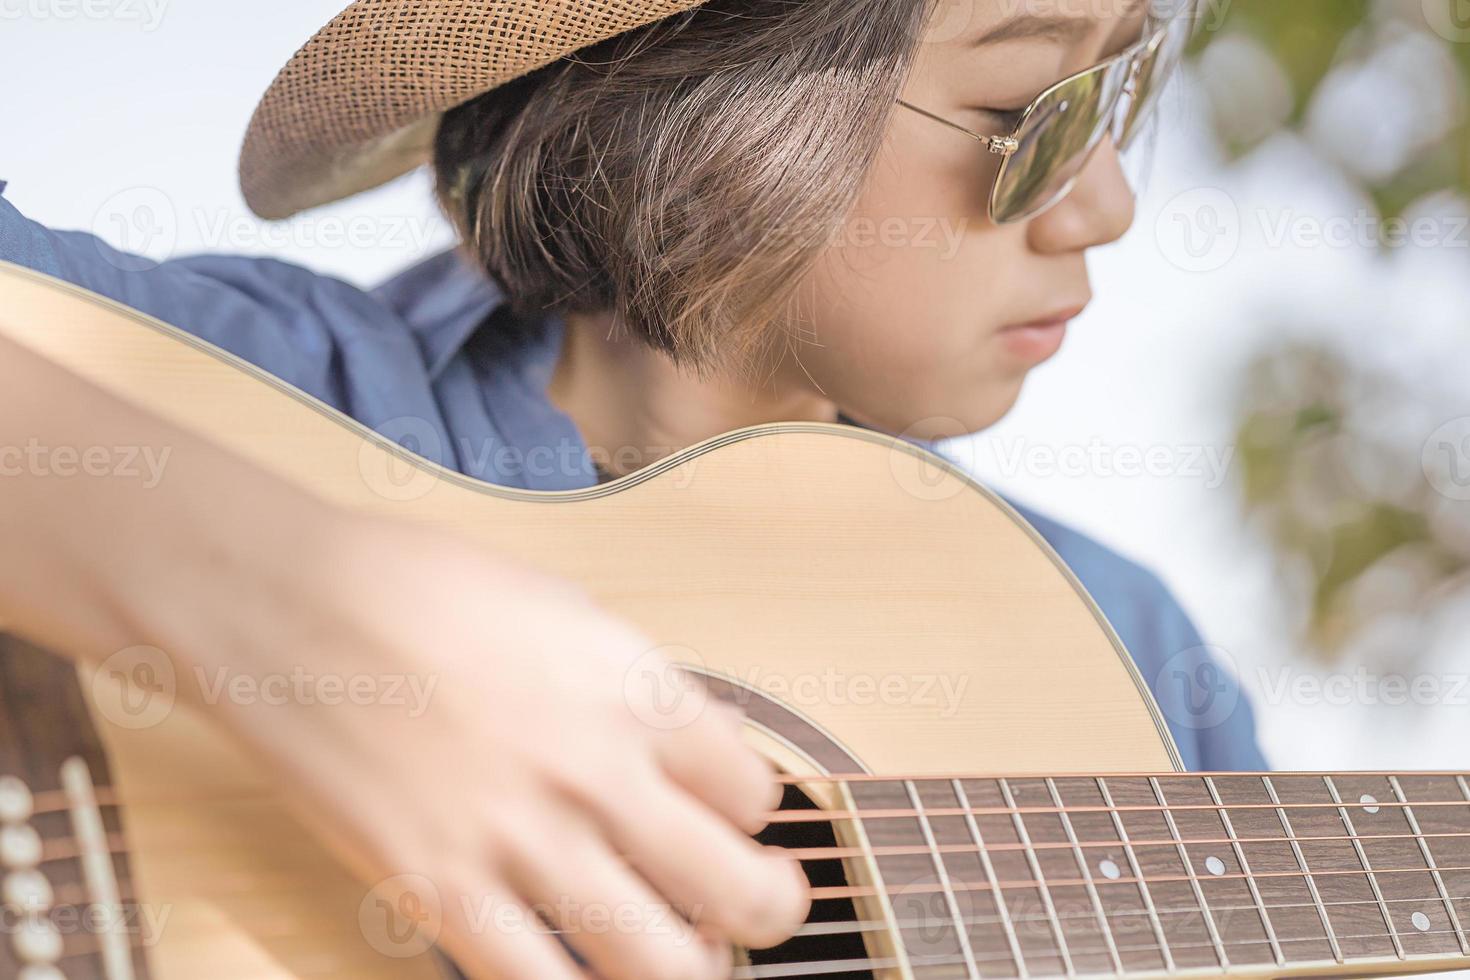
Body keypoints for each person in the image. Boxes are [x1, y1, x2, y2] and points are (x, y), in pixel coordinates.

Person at [0, 0, 1267, 976]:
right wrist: (287, 607)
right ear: (729, 109)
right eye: (1025, 111)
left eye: (1125, 91)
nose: (1106, 202)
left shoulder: (1133, 662)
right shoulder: (232, 379)